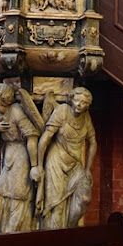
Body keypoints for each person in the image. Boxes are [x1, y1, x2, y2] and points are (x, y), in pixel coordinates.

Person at [34, 87, 97, 229]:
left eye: (84, 102)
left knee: (84, 198)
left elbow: (93, 142)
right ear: (71, 100)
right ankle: (55, 237)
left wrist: (88, 168)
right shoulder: (62, 111)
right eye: (77, 100)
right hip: (56, 162)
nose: (80, 104)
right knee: (57, 206)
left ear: (87, 106)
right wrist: (38, 165)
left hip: (75, 164)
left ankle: (70, 229)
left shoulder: (86, 118)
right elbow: (46, 138)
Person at [0, 83, 40, 232]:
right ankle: (3, 231)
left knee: (18, 197)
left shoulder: (16, 111)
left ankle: (14, 234)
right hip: (8, 156)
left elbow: (32, 135)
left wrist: (34, 166)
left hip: (21, 156)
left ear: (2, 98)